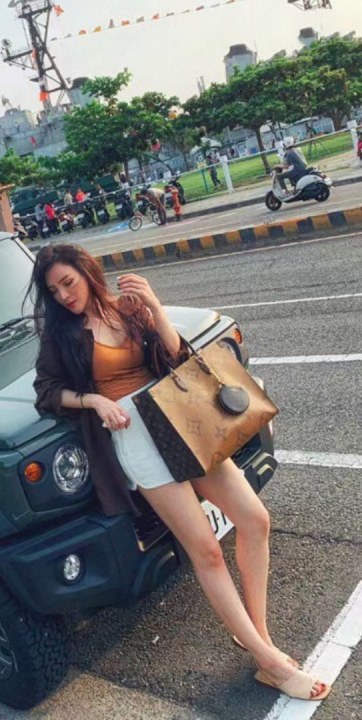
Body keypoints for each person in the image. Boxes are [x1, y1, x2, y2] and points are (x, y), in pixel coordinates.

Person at [28, 243, 331, 703]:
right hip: (136, 439)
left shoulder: (129, 309)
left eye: (68, 283)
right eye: (54, 291)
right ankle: (270, 663)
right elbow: (46, 391)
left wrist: (154, 306)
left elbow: (175, 355)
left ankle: (258, 637)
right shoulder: (62, 336)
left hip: (179, 421)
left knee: (255, 520)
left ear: (87, 271)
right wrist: (93, 400)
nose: (64, 296)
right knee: (205, 550)